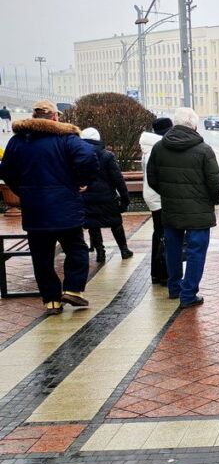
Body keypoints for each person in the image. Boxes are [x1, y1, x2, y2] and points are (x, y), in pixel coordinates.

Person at [0, 100, 98, 314]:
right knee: (76, 249)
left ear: (34, 117)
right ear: (54, 117)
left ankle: (51, 300)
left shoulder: (18, 140)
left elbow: (6, 170)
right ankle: (73, 289)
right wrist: (82, 180)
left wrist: (23, 190)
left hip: (35, 209)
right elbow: (89, 156)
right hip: (65, 206)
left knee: (41, 256)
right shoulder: (67, 138)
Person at [146, 107, 219, 309]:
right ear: (196, 127)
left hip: (171, 208)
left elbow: (152, 178)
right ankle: (188, 294)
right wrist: (212, 201)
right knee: (196, 251)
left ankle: (174, 288)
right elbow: (216, 182)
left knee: (173, 248)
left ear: (174, 124)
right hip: (199, 211)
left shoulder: (160, 147)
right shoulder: (204, 150)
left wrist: (168, 194)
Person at [80, 127, 132, 263]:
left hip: (87, 197)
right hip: (107, 197)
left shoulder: (79, 155)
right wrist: (125, 198)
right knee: (115, 223)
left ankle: (100, 253)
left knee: (93, 225)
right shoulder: (107, 155)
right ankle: (124, 250)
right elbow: (118, 179)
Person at [140, 117, 172, 285]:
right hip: (159, 198)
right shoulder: (158, 148)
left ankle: (157, 272)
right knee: (164, 235)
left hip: (153, 196)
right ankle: (162, 272)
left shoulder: (149, 147)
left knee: (159, 233)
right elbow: (158, 177)